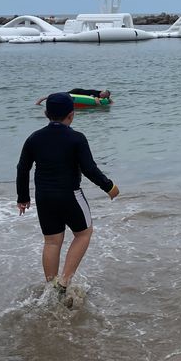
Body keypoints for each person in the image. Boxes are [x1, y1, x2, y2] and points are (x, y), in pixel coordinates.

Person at [16, 93, 119, 300]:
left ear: (46, 114)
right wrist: (109, 187)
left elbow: (23, 168)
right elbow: (89, 169)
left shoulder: (34, 138)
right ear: (71, 115)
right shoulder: (76, 138)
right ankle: (64, 282)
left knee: (51, 242)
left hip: (44, 197)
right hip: (70, 195)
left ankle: (51, 289)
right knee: (84, 233)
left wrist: (23, 197)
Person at [35, 89, 111, 105]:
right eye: (103, 94)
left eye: (104, 95)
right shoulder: (96, 93)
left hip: (79, 92)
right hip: (77, 92)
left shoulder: (100, 93)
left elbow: (109, 98)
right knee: (62, 95)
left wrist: (111, 102)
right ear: (101, 91)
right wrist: (100, 107)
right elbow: (97, 100)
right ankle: (43, 98)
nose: (102, 95)